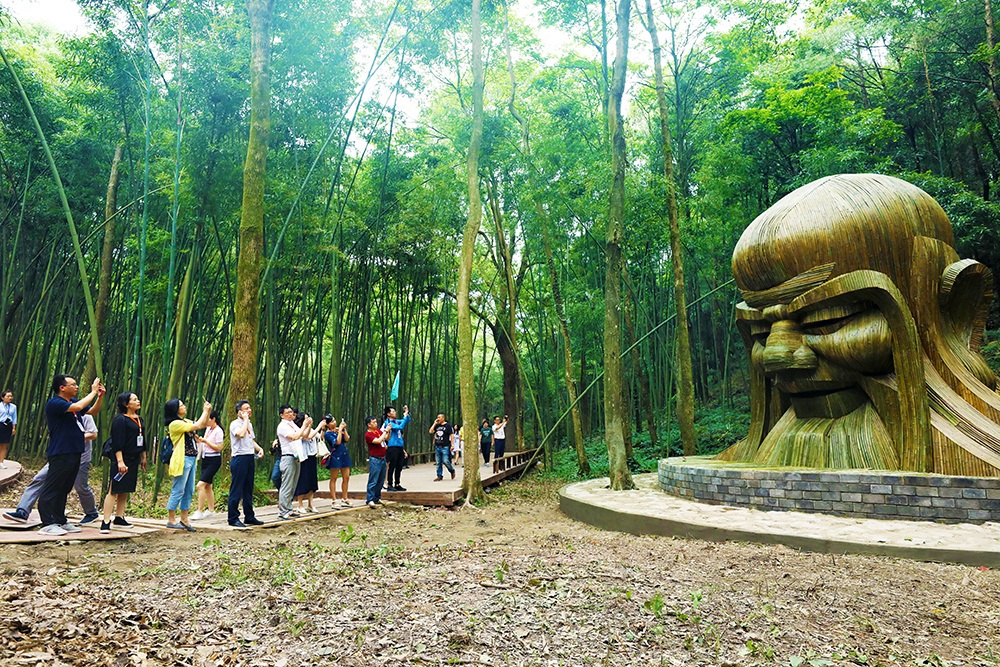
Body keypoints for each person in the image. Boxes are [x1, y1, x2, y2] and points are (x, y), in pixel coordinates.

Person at [3, 402, 100, 526]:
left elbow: (93, 433)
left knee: (80, 486)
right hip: (60, 456)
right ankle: (22, 511)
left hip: (80, 457)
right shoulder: (59, 412)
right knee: (39, 478)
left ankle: (91, 512)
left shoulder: (84, 414)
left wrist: (74, 437)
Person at [36, 374, 104, 536]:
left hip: (75, 450)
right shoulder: (55, 403)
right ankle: (47, 523)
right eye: (73, 384)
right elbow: (80, 407)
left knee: (64, 487)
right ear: (62, 387)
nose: (77, 387)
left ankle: (60, 520)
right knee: (52, 487)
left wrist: (99, 397)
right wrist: (93, 391)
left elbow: (92, 411)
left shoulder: (72, 402)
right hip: (61, 451)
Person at [100, 392, 147, 534]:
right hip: (121, 458)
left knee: (125, 488)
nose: (138, 401)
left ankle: (119, 517)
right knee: (114, 489)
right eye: (134, 399)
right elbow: (117, 442)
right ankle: (105, 521)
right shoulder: (120, 420)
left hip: (134, 458)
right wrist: (120, 461)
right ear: (126, 404)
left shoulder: (139, 419)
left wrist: (143, 457)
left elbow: (143, 439)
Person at [164, 398, 212, 531]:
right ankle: (171, 519)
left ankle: (184, 519)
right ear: (175, 409)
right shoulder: (174, 424)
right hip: (182, 459)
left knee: (189, 490)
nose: (184, 406)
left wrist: (207, 412)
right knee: (178, 489)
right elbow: (196, 426)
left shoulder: (186, 421)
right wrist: (204, 411)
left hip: (192, 458)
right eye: (181, 405)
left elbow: (201, 424)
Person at [228, 400, 264, 528]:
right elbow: (241, 434)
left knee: (248, 489)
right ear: (239, 412)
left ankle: (249, 516)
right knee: (237, 488)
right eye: (246, 409)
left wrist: (259, 449)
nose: (249, 410)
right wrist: (245, 420)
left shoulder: (249, 424)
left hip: (249, 457)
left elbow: (251, 440)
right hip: (239, 458)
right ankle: (233, 517)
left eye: (249, 408)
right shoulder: (235, 424)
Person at [277, 404, 312, 520]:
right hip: (288, 456)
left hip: (297, 456)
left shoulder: (292, 424)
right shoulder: (282, 426)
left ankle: (288, 508)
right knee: (286, 484)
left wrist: (308, 426)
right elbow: (295, 436)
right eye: (288, 412)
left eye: (292, 412)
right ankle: (283, 511)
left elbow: (305, 436)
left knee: (293, 484)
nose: (291, 414)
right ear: (282, 415)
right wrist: (304, 427)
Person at [191, 410, 224, 520]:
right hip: (206, 458)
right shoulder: (208, 429)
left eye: (208, 419)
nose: (206, 421)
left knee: (200, 485)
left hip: (214, 460)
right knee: (208, 486)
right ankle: (211, 510)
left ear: (213, 419)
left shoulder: (218, 431)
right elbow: (204, 444)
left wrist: (206, 442)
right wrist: (199, 440)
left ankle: (199, 511)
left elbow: (219, 447)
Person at [295, 412, 326, 513]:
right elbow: (307, 436)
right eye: (306, 419)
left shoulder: (311, 428)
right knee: (303, 480)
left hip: (312, 456)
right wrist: (317, 426)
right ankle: (300, 505)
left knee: (312, 481)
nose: (308, 420)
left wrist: (322, 429)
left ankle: (310, 504)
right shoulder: (299, 430)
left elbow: (319, 437)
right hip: (303, 457)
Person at [323, 417, 351, 508]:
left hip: (344, 454)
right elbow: (337, 442)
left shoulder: (338, 430)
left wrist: (344, 429)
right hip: (335, 456)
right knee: (334, 478)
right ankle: (334, 500)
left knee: (346, 477)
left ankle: (345, 498)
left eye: (334, 420)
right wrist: (339, 432)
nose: (334, 423)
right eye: (331, 422)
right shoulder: (328, 434)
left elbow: (347, 439)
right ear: (327, 424)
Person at [382, 405, 410, 492]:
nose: (395, 413)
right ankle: (389, 484)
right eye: (393, 411)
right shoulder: (388, 423)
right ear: (388, 414)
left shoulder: (396, 421)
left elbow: (407, 420)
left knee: (399, 466)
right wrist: (405, 418)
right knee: (392, 466)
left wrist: (406, 413)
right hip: (392, 446)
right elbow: (400, 427)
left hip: (399, 446)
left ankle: (397, 483)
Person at [364, 416, 390, 509]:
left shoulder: (378, 431)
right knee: (373, 480)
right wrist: (385, 431)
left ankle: (376, 497)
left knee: (380, 480)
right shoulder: (368, 435)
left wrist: (389, 430)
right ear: (369, 424)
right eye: (373, 422)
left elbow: (386, 438)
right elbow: (379, 441)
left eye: (376, 422)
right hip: (375, 459)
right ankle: (370, 499)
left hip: (383, 458)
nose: (376, 423)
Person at [428, 413, 456, 481]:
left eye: (439, 417)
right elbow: (431, 431)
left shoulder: (448, 426)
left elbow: (452, 435)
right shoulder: (437, 425)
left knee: (446, 461)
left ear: (443, 418)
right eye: (437, 417)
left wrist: (452, 445)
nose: (438, 418)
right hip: (437, 446)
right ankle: (439, 476)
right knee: (438, 462)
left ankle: (452, 471)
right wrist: (434, 423)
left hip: (445, 446)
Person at [0, 390, 17, 469]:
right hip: (1, 424)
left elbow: (14, 418)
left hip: (8, 426)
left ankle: (1, 462)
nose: (10, 398)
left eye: (11, 396)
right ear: (2, 398)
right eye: (8, 396)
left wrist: (13, 428)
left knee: (4, 444)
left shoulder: (13, 407)